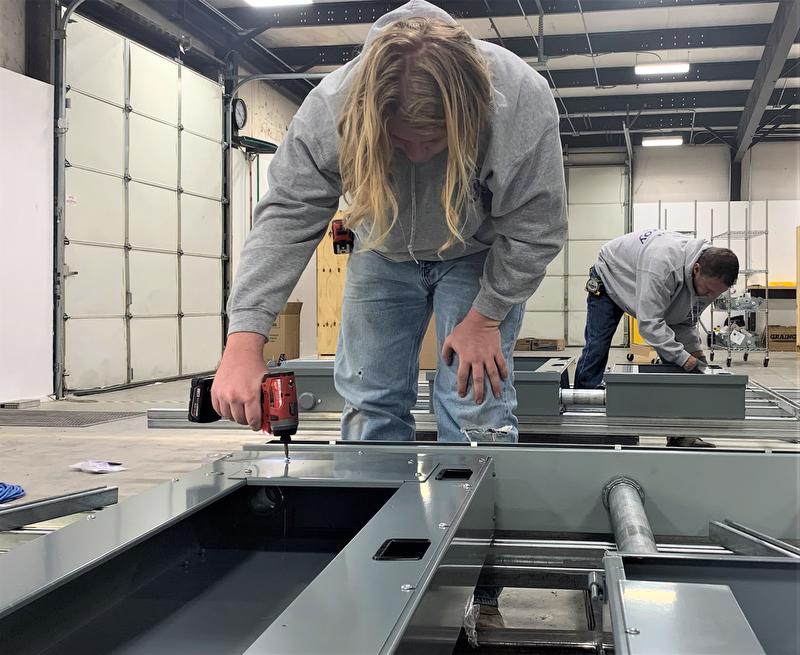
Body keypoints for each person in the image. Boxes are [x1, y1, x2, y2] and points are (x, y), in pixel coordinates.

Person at [211, 0, 566, 628]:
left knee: (475, 405)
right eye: (403, 141)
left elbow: (535, 225)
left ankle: (476, 578)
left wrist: (485, 319)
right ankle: (377, 563)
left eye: (436, 139)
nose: (421, 155)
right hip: (382, 246)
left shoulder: (519, 97)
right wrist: (244, 340)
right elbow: (288, 215)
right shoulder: (331, 108)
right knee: (371, 403)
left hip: (479, 253)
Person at [574, 229, 739, 446]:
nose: (709, 297)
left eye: (714, 294)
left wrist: (695, 354)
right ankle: (583, 418)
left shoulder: (708, 283)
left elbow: (685, 321)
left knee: (682, 362)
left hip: (649, 279)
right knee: (598, 346)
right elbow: (650, 325)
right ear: (696, 269)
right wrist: (683, 358)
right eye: (707, 290)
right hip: (612, 276)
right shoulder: (662, 264)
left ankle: (680, 433)